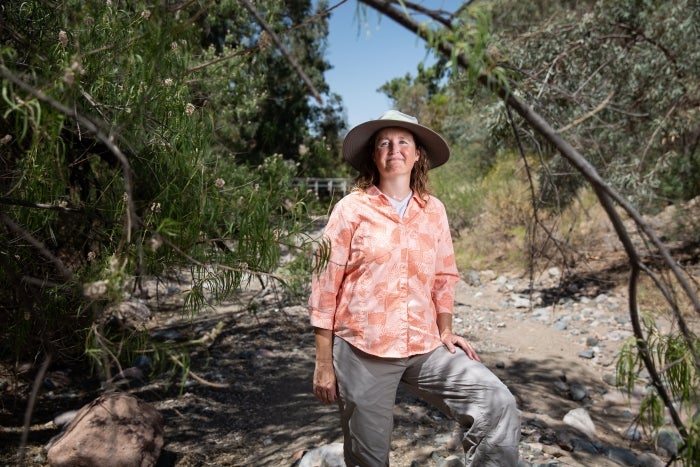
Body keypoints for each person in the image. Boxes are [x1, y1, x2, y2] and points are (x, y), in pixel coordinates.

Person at [308, 110, 520, 466]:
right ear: (374, 155)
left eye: (403, 141)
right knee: (369, 458)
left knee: (496, 402)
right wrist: (323, 361)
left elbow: (444, 276)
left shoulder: (434, 210)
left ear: (417, 153)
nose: (394, 149)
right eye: (384, 143)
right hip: (363, 349)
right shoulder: (350, 210)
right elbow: (324, 287)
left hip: (425, 344)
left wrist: (446, 328)